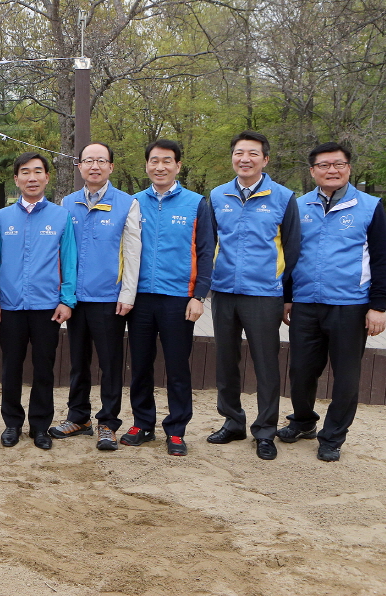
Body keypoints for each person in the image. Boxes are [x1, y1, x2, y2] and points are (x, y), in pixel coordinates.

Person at [278, 142, 386, 462]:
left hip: (350, 305)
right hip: (305, 303)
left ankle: (333, 437)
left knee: (345, 375)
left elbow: (382, 259)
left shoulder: (370, 206)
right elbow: (289, 255)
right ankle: (302, 422)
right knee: (300, 370)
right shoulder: (298, 206)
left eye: (339, 164)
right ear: (313, 171)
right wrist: (287, 298)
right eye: (325, 165)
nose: (333, 170)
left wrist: (378, 306)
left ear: (349, 168)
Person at [207, 130, 300, 461]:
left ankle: (265, 431)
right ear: (232, 157)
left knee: (265, 364)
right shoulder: (217, 196)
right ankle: (232, 422)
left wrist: (288, 296)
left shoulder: (284, 198)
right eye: (238, 153)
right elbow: (207, 245)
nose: (244, 159)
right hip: (223, 292)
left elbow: (293, 250)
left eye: (252, 154)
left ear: (265, 159)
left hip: (265, 294)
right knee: (225, 362)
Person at [122, 139, 214, 456]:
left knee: (177, 368)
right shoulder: (133, 203)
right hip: (141, 299)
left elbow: (206, 253)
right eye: (154, 161)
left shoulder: (197, 203)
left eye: (167, 161)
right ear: (146, 165)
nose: (160, 167)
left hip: (179, 299)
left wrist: (199, 295)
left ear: (178, 166)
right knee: (140, 365)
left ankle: (176, 430)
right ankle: (142, 424)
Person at [54, 142, 141, 452]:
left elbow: (132, 252)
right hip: (75, 298)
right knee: (78, 362)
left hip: (109, 297)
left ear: (110, 167)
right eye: (88, 160)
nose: (94, 166)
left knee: (110, 363)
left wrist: (127, 293)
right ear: (79, 166)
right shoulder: (67, 203)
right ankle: (79, 417)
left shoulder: (127, 203)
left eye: (101, 161)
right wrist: (63, 294)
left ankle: (108, 422)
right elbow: (61, 251)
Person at [0, 152, 77, 450]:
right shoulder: (2, 218)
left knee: (44, 368)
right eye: (25, 172)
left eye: (38, 171)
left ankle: (40, 427)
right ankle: (12, 424)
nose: (32, 177)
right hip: (11, 307)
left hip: (47, 308)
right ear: (16, 179)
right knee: (11, 368)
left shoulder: (61, 216)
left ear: (46, 177)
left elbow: (69, 260)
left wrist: (67, 300)